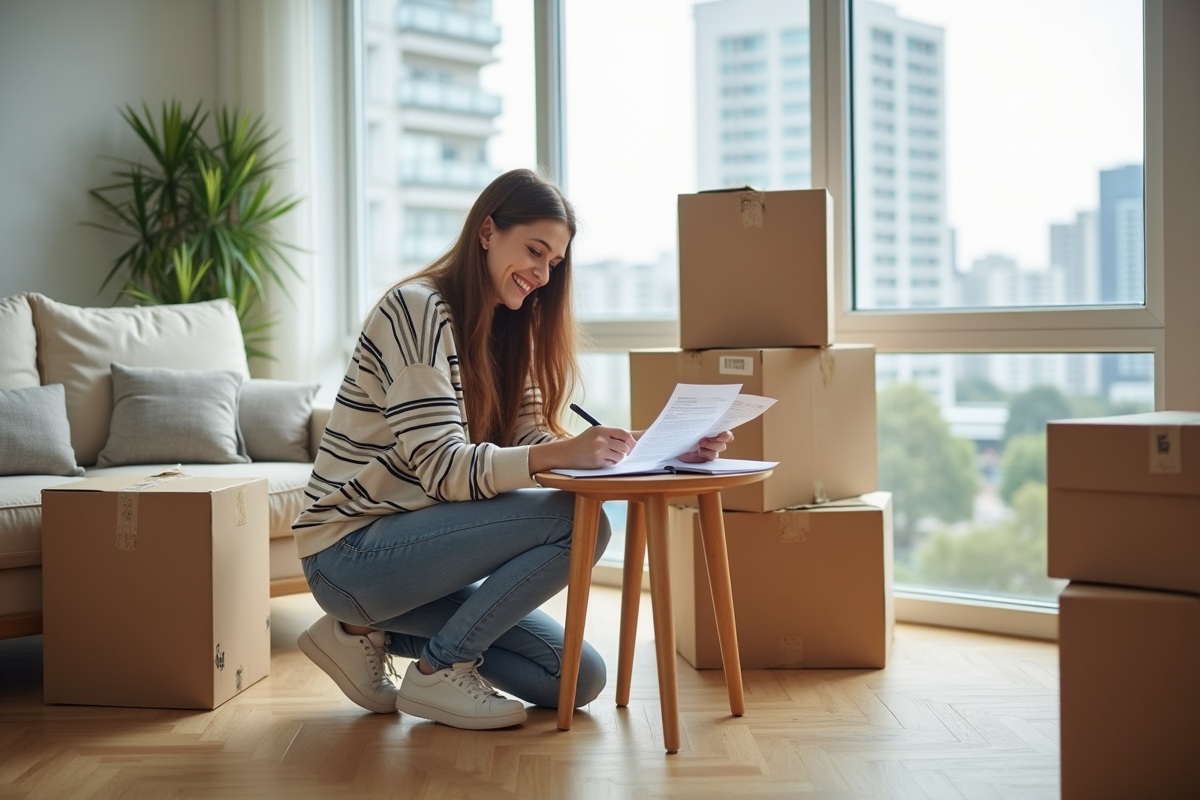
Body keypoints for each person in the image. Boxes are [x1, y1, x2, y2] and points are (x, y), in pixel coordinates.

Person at [292, 168, 731, 730]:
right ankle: (438, 669)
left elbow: (531, 440)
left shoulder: (506, 328)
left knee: (575, 679)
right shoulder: (415, 309)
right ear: (487, 231)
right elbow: (443, 471)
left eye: (554, 262)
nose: (543, 274)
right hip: (351, 553)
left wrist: (649, 447)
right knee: (583, 526)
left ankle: (360, 631)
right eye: (534, 251)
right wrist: (562, 453)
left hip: (422, 554)